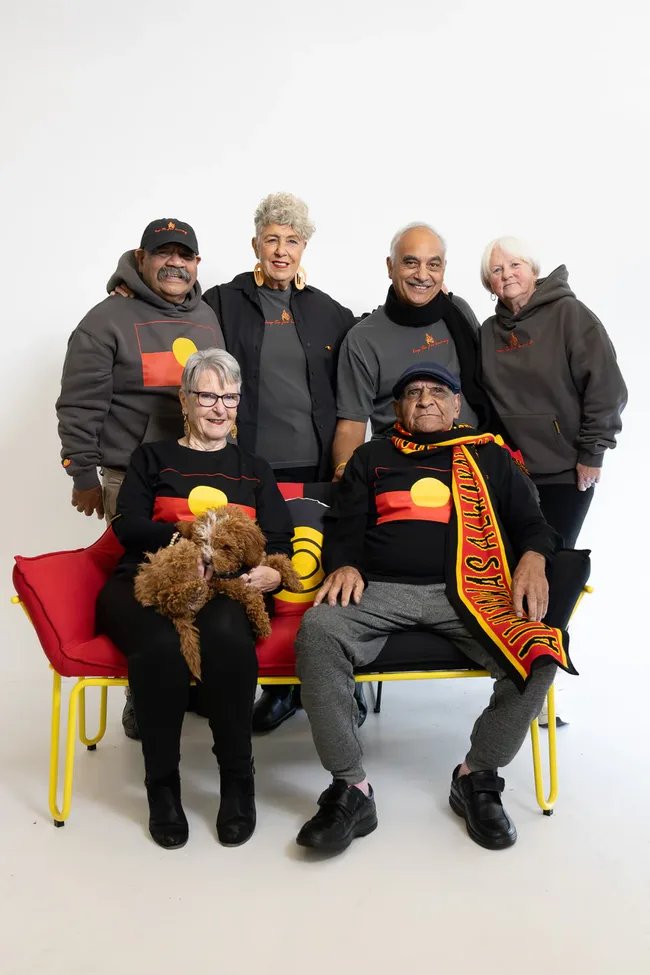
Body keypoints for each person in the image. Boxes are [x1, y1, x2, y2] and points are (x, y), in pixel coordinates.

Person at [294, 362, 574, 854]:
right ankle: (351, 788)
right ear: (397, 408)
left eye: (437, 391)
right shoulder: (371, 456)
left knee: (542, 648)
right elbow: (343, 526)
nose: (425, 399)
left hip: (472, 590)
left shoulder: (488, 456)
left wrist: (532, 558)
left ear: (457, 404)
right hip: (381, 589)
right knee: (318, 629)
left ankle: (477, 776)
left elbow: (533, 521)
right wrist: (344, 564)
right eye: (413, 392)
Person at [108, 193, 360, 733]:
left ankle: (315, 685)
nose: (281, 250)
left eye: (292, 240)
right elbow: (172, 307)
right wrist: (134, 290)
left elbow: (366, 361)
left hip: (313, 465)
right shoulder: (223, 301)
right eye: (271, 238)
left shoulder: (328, 311)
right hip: (247, 465)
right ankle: (163, 684)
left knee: (305, 570)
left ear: (304, 247)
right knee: (220, 568)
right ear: (255, 244)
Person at [95, 349, 294, 849]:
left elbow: (281, 539)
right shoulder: (152, 458)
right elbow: (127, 525)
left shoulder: (254, 468)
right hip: (148, 580)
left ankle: (237, 781)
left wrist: (271, 570)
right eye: (207, 395)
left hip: (229, 588)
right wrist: (189, 541)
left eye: (229, 397)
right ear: (184, 400)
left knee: (226, 633)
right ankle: (162, 787)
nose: (219, 408)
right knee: (161, 644)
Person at [58, 218, 223, 525]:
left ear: (197, 263)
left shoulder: (207, 317)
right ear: (141, 257)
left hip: (201, 476)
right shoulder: (104, 320)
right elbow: (79, 407)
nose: (175, 263)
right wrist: (82, 475)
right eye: (164, 252)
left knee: (200, 572)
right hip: (133, 481)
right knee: (136, 572)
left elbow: (222, 397)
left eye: (185, 256)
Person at [478, 236, 627, 548]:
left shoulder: (570, 315)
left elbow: (606, 387)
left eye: (515, 265)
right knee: (509, 570)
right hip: (512, 474)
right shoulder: (487, 333)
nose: (507, 274)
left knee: (552, 567)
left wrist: (593, 452)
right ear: (488, 284)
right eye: (496, 270)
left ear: (533, 270)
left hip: (566, 471)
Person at [332, 222, 499, 480]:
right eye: (411, 263)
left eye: (433, 265)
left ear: (444, 269)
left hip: (472, 459)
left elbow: (491, 377)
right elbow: (352, 424)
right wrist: (345, 473)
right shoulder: (363, 339)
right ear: (390, 267)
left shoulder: (457, 312)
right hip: (401, 468)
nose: (423, 275)